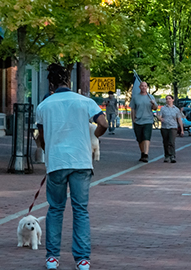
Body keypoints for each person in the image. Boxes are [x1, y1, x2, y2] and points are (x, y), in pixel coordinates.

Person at [34, 64, 108, 270]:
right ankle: (82, 259)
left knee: (55, 209)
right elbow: (104, 123)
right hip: (81, 161)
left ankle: (52, 258)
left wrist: (47, 149)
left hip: (57, 162)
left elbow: (41, 137)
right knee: (81, 209)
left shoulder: (44, 106)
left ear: (51, 83)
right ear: (69, 81)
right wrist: (94, 136)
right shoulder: (85, 101)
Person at [130, 73, 157, 162]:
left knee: (146, 137)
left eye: (145, 86)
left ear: (147, 87)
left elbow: (155, 108)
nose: (143, 87)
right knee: (140, 139)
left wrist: (153, 104)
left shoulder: (151, 97)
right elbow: (133, 109)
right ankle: (142, 152)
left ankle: (146, 154)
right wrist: (133, 119)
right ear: (139, 87)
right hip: (138, 121)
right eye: (142, 86)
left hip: (148, 120)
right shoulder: (135, 97)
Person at [158, 95, 185, 163]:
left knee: (171, 142)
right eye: (167, 99)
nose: (168, 100)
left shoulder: (176, 109)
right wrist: (160, 119)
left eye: (169, 99)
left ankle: (172, 156)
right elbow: (159, 117)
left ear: (172, 100)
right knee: (165, 142)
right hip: (164, 128)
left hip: (173, 127)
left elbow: (179, 119)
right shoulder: (163, 109)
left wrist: (182, 129)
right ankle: (166, 156)